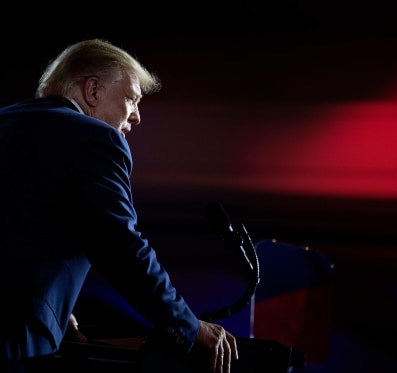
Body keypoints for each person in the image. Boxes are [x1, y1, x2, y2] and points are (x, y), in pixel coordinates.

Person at [0, 39, 238, 372]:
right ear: (93, 90)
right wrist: (189, 326)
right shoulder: (96, 138)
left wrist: (55, 305)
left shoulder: (7, 120)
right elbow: (121, 247)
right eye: (131, 98)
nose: (137, 117)